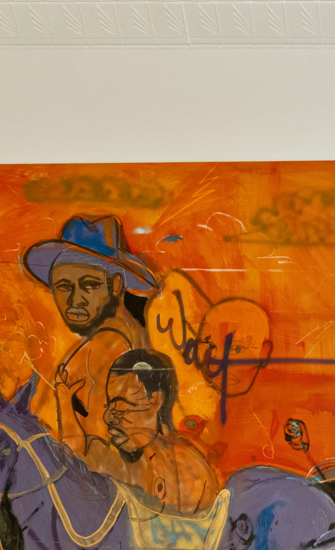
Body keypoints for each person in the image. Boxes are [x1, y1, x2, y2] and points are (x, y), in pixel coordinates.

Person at [22, 214, 161, 463]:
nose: (75, 300)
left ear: (116, 285)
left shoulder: (105, 346)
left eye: (88, 286)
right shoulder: (129, 336)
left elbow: (85, 457)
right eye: (64, 286)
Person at [89, 348, 219, 514]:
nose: (108, 418)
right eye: (109, 404)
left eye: (120, 403)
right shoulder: (115, 464)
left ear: (155, 401)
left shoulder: (188, 474)